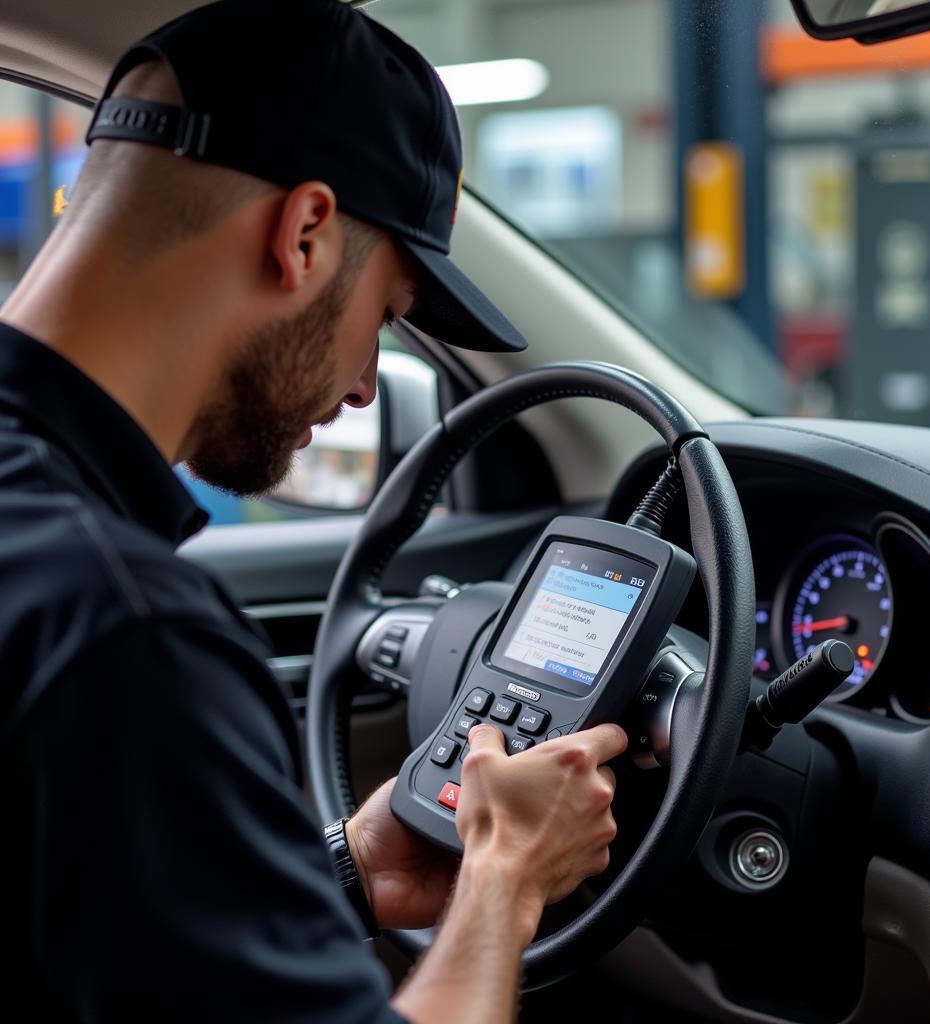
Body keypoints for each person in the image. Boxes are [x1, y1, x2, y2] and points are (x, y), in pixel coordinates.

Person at [0, 1, 627, 1021]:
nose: (367, 386)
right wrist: (504, 878)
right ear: (303, 233)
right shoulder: (123, 635)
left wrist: (348, 868)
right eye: (384, 318)